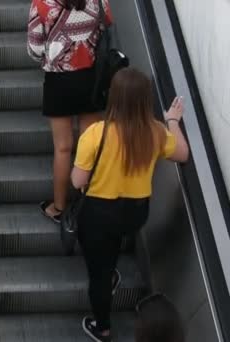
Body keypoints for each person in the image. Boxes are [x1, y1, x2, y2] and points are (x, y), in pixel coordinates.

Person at [71, 68, 190, 342]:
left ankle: (102, 328)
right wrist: (172, 120)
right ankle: (110, 272)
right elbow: (183, 153)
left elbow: (78, 180)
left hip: (99, 214)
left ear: (113, 98)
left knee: (97, 274)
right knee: (111, 242)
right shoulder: (156, 132)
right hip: (135, 214)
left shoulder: (95, 134)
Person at [28, 0, 114, 223]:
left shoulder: (41, 4)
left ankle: (58, 208)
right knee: (91, 145)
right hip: (90, 79)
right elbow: (107, 24)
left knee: (63, 148)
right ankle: (91, 205)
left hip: (59, 82)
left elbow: (35, 48)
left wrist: (54, 55)